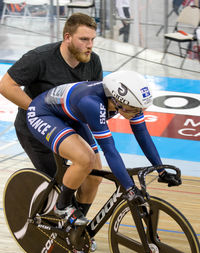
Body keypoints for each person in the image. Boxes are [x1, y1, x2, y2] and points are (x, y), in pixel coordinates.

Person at [26, 70, 181, 227]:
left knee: (94, 177)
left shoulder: (127, 103)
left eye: (140, 109)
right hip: (43, 114)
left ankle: (74, 229)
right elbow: (109, 150)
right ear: (116, 100)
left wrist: (160, 170)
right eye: (134, 109)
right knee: (85, 159)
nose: (138, 113)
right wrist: (130, 188)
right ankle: (62, 207)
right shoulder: (92, 103)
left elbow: (142, 134)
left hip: (72, 115)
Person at [0, 13, 103, 219]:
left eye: (92, 39)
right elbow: (5, 85)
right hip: (35, 128)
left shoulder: (93, 62)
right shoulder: (40, 57)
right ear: (67, 37)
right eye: (84, 39)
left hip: (70, 126)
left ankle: (75, 229)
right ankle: (55, 215)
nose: (89, 45)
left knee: (94, 176)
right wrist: (39, 111)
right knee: (60, 181)